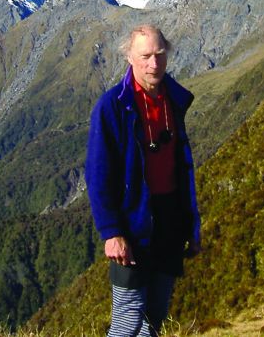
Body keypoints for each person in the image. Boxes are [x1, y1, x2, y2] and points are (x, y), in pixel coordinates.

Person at [85, 24, 202, 337]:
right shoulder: (112, 106)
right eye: (145, 56)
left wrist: (191, 226)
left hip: (169, 222)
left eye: (159, 55)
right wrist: (111, 232)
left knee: (154, 318)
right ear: (129, 57)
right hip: (133, 225)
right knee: (127, 320)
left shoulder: (173, 100)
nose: (154, 64)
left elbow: (182, 169)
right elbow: (98, 174)